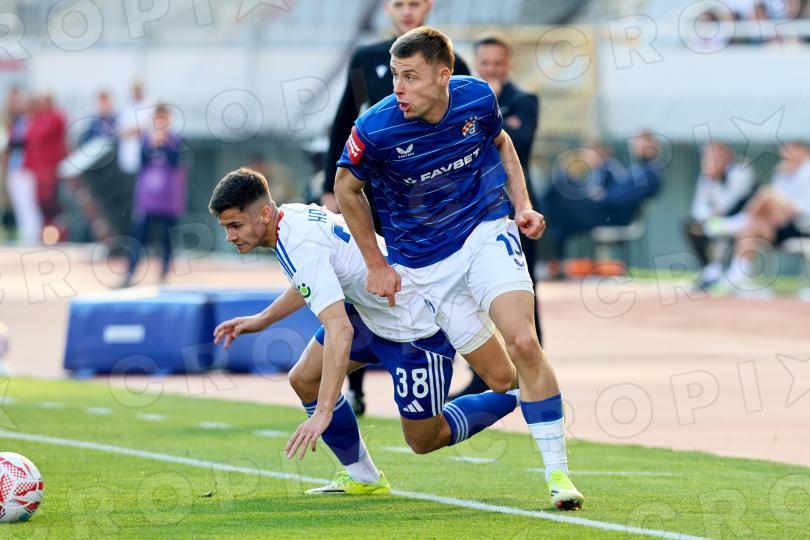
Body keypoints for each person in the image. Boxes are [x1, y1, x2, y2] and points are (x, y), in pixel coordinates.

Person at [333, 27, 584, 509]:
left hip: (485, 231)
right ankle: (527, 398)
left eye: (410, 76)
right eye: (395, 76)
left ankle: (559, 476)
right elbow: (346, 188)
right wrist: (375, 264)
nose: (398, 88)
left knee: (524, 341)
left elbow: (502, 143)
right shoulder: (375, 128)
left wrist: (522, 205)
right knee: (501, 380)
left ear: (443, 75)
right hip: (423, 267)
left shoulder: (477, 98)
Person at [209, 168, 520, 495]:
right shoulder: (290, 218)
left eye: (235, 225)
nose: (230, 236)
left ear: (264, 214)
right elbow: (312, 280)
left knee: (424, 439)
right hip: (373, 313)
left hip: (415, 326)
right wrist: (264, 319)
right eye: (226, 227)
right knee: (304, 378)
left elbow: (339, 329)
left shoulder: (297, 243)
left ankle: (523, 393)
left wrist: (324, 412)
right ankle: (364, 476)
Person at [322, 0, 472, 416]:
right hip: (374, 194)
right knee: (360, 278)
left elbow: (470, 126)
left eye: (414, 3)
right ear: (388, 7)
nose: (407, 10)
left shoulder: (453, 62)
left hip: (431, 202)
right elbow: (344, 123)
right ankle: (354, 386)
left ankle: (434, 370)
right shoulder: (367, 58)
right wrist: (331, 188)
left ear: (429, 6)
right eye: (399, 3)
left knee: (439, 281)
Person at [451, 35, 541, 399]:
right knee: (473, 292)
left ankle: (533, 370)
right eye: (484, 64)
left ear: (508, 65)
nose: (491, 69)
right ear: (476, 64)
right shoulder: (462, 99)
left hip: (516, 207)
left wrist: (493, 105)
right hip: (473, 208)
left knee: (523, 290)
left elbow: (520, 141)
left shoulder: (525, 100)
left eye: (497, 63)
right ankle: (484, 374)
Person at [710, 141, 810, 292]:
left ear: (803, 152)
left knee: (767, 193)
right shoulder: (783, 171)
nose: (786, 156)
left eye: (791, 151)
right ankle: (736, 276)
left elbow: (799, 209)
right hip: (778, 226)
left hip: (801, 228)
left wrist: (780, 207)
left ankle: (737, 221)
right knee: (750, 228)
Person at [122, 104, 185, 287]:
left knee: (167, 238)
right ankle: (130, 273)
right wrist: (152, 145)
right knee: (139, 236)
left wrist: (164, 144)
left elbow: (177, 163)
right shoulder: (146, 140)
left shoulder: (176, 140)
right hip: (148, 199)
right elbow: (141, 162)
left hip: (168, 200)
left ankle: (164, 274)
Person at [686, 143, 755, 288]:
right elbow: (698, 206)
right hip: (718, 221)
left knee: (719, 230)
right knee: (693, 227)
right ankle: (711, 270)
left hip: (742, 219)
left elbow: (733, 204)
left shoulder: (741, 171)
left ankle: (733, 276)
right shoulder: (707, 175)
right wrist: (706, 217)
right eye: (708, 157)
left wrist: (715, 215)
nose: (710, 160)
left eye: (715, 156)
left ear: (726, 154)